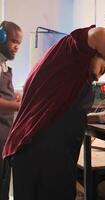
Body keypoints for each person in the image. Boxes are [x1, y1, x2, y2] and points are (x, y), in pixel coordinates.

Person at [1, 25, 105, 200]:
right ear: (94, 52)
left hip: (38, 154)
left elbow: (60, 111)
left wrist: (96, 117)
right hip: (43, 157)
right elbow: (100, 33)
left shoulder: (71, 73)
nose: (98, 77)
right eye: (103, 69)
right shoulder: (73, 50)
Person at [0, 21, 22, 191]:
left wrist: (13, 96)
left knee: (4, 183)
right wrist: (18, 106)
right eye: (14, 42)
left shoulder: (4, 64)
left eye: (19, 44)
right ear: (1, 37)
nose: (16, 47)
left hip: (5, 133)